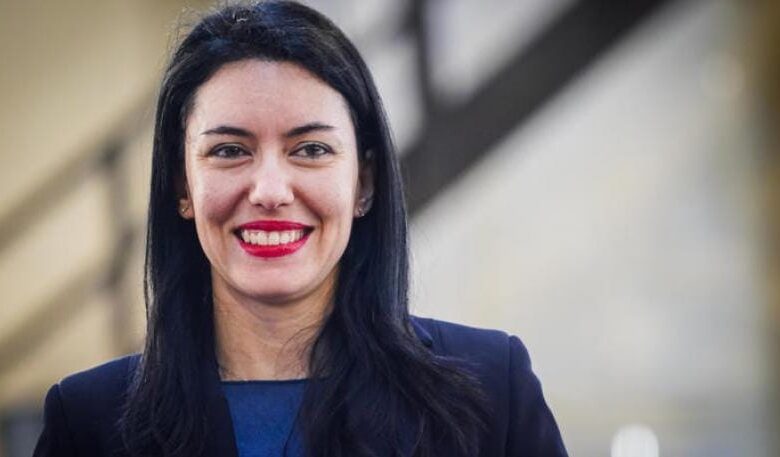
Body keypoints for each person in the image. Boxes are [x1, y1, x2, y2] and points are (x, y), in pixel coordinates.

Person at [33, 2, 567, 456]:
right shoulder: (87, 420)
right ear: (182, 186)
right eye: (229, 150)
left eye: (311, 149)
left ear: (364, 183)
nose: (270, 190)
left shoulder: (493, 390)